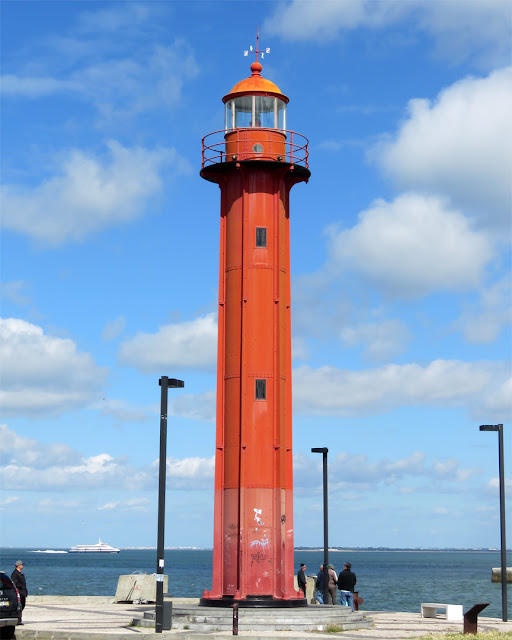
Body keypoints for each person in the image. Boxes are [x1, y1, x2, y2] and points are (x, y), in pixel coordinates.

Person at [11, 560, 27, 624]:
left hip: (23, 592)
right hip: (19, 592)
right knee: (19, 606)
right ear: (18, 566)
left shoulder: (20, 573)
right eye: (21, 565)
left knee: (22, 605)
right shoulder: (15, 574)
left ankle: (18, 619)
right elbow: (14, 584)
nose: (22, 566)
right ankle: (18, 620)